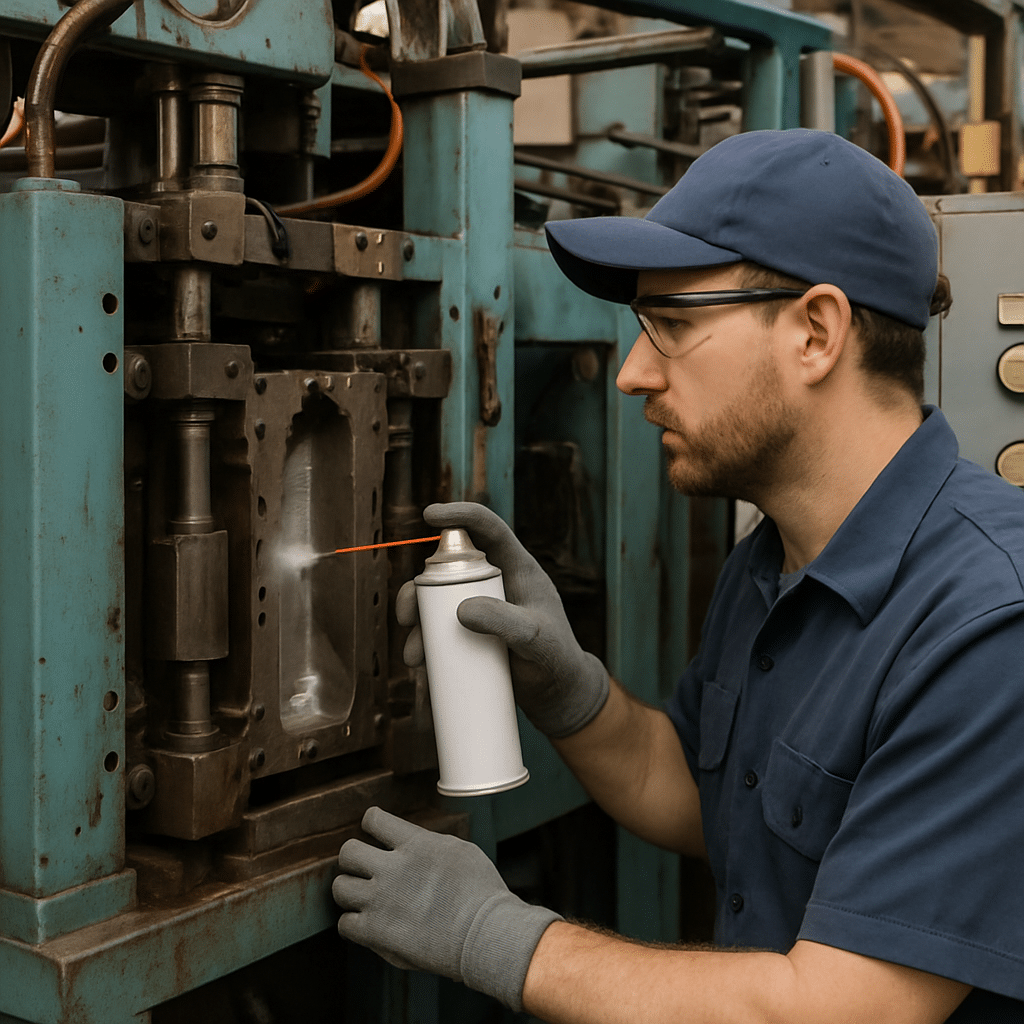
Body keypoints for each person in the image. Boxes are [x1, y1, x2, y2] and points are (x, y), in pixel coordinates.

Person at [330, 129, 1024, 1022]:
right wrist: (570, 694)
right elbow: (701, 797)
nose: (632, 373)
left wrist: (494, 937)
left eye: (674, 324)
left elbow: (840, 1010)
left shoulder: (988, 624)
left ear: (816, 333)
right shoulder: (771, 561)